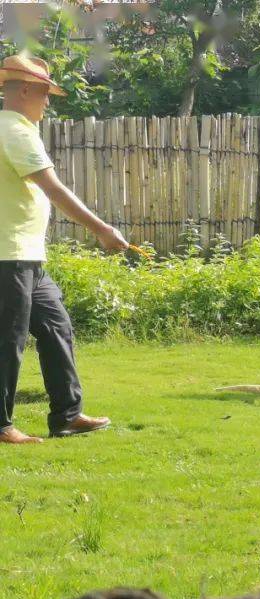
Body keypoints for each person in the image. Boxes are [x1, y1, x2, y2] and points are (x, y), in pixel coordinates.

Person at [0, 54, 128, 445]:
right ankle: (1, 426)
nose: (48, 102)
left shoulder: (15, 128)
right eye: (44, 93)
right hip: (9, 257)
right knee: (9, 340)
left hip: (27, 256)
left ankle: (67, 416)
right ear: (24, 90)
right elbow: (54, 189)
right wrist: (103, 230)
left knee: (57, 327)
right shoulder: (14, 131)